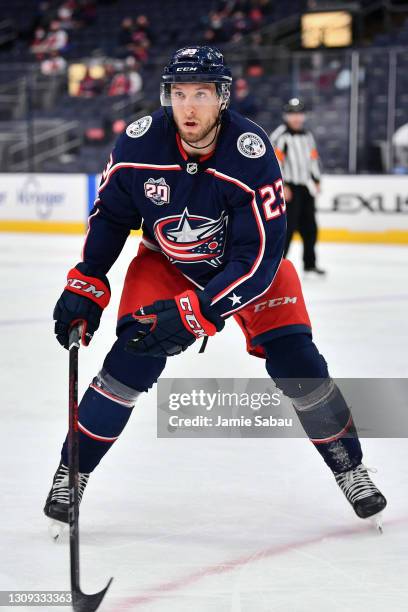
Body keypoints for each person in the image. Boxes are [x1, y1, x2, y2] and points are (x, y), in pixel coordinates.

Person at [44, 46, 386, 531]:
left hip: (245, 273)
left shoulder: (251, 150)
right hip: (169, 264)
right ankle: (71, 473)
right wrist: (87, 281)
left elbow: (262, 255)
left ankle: (350, 469)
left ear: (222, 98)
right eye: (178, 94)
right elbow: (112, 217)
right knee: (129, 361)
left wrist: (197, 312)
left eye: (201, 94)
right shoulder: (139, 144)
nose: (188, 107)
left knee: (300, 365)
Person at [270, 98, 325, 275]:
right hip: (288, 189)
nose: (296, 118)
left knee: (310, 228)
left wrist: (316, 180)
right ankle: (278, 266)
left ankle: (310, 264)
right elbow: (274, 162)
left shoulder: (307, 136)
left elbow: (313, 158)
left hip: (304, 187)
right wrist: (282, 185)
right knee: (287, 228)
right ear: (286, 116)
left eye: (299, 114)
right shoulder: (280, 135)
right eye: (292, 114)